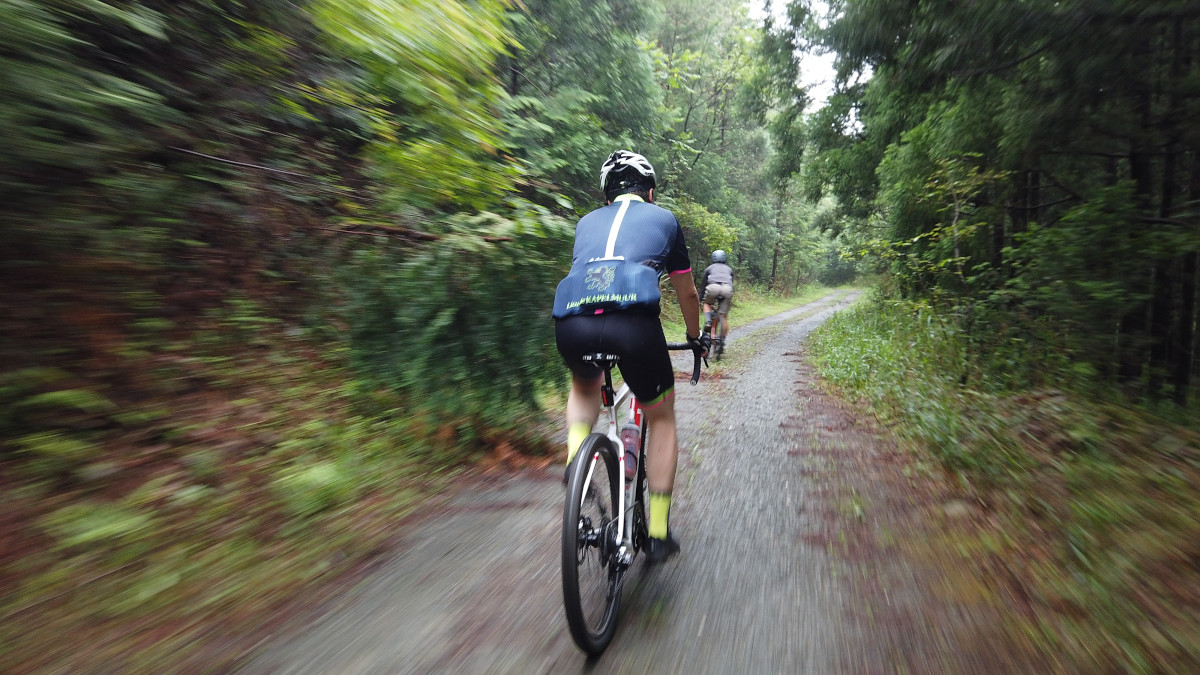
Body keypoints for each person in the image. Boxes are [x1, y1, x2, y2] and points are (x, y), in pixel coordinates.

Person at [551, 150, 708, 565]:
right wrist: (695, 337)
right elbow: (688, 292)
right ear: (650, 192)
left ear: (606, 197)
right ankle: (656, 532)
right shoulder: (666, 220)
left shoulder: (586, 223)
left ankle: (576, 461)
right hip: (634, 328)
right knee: (661, 416)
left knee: (585, 383)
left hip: (572, 323)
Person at [700, 249, 734, 343]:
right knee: (723, 316)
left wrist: (700, 298)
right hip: (727, 289)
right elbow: (731, 283)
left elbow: (703, 286)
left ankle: (708, 322)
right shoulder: (729, 269)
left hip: (713, 287)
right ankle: (722, 341)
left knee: (707, 304)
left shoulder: (709, 268)